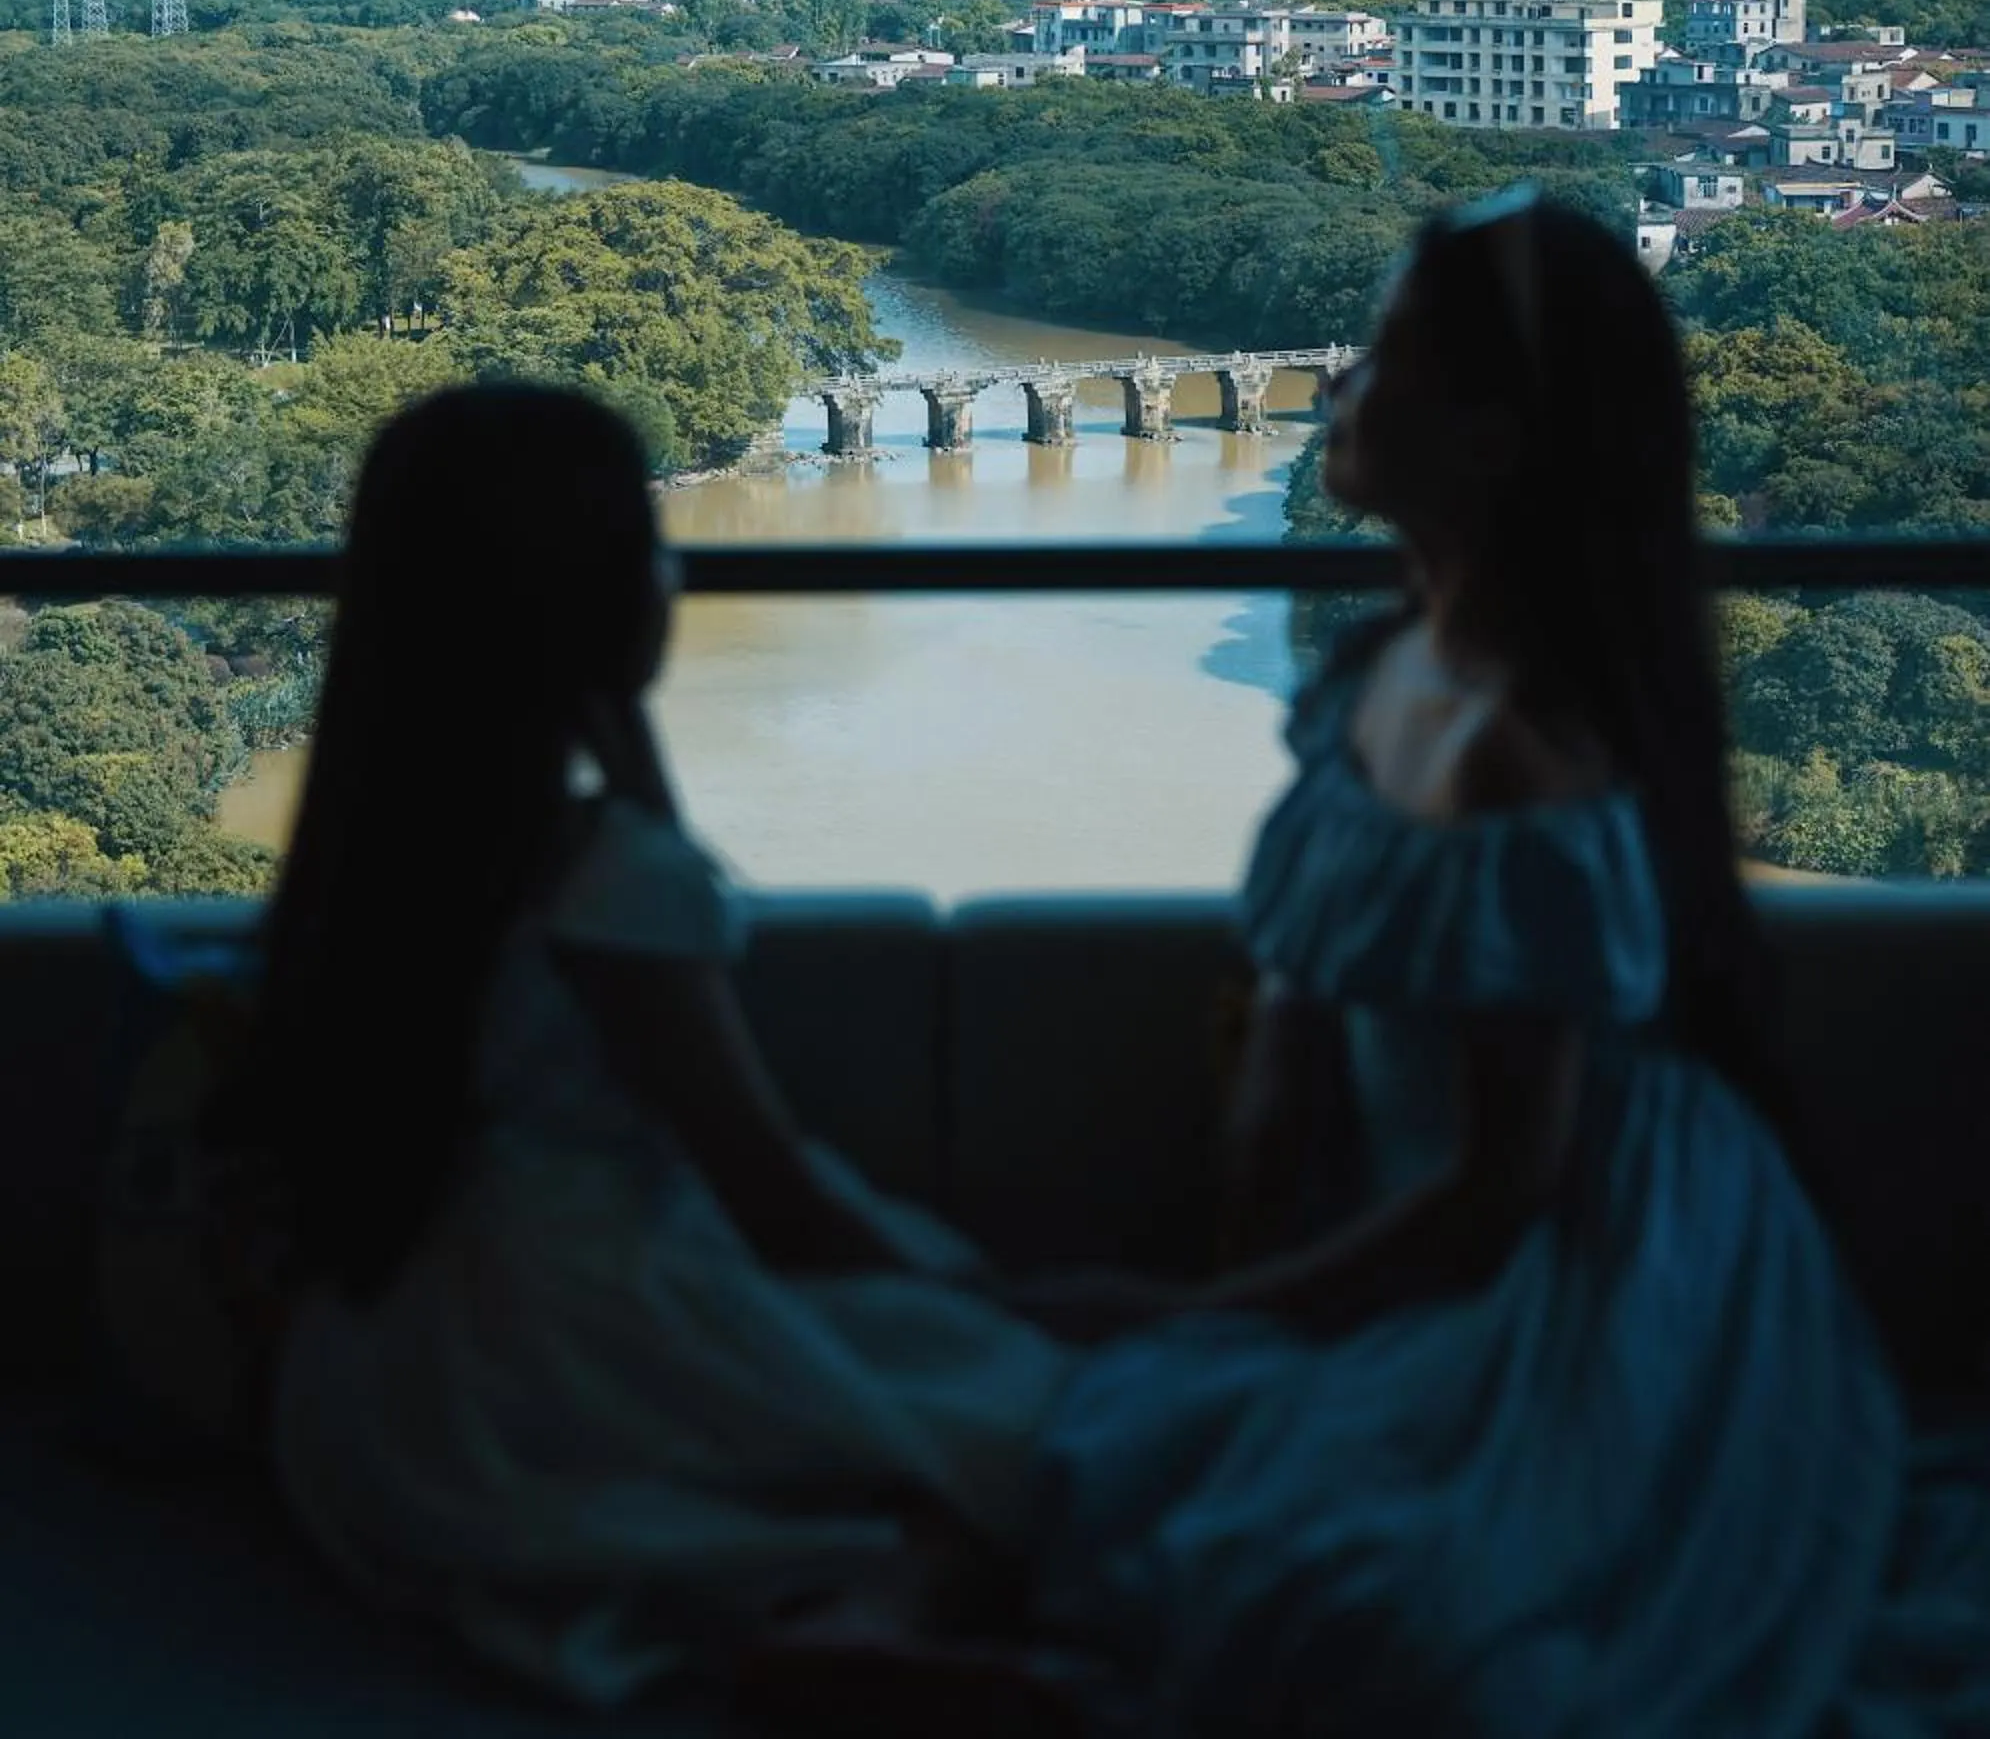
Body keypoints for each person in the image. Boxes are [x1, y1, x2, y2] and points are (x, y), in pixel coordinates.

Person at [1023, 188, 1990, 1735]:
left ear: (1489, 439)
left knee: (1389, 1619)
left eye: (1385, 356)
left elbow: (1502, 1190)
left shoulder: (1517, 765)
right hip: (1433, 1234)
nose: (1340, 382)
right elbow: (1289, 1039)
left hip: (1594, 1274)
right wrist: (1227, 1288)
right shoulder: (1372, 673)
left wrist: (1215, 1315)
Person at [229, 383, 1074, 1719]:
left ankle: (828, 1608)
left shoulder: (368, 855)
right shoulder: (611, 877)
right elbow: (771, 1195)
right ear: (601, 599)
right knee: (1030, 1427)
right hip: (570, 1346)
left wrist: (621, 747)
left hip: (367, 1398)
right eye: (651, 545)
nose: (676, 576)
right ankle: (871, 1615)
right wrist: (1006, 1298)